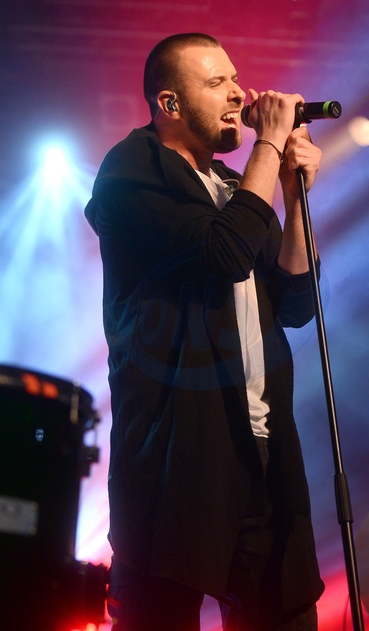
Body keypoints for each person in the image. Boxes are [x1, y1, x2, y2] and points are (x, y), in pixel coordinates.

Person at [85, 32, 325, 631]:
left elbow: (295, 303)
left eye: (236, 79)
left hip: (261, 446)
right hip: (176, 459)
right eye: (217, 82)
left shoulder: (232, 187)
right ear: (169, 104)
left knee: (286, 614)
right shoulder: (132, 171)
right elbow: (223, 254)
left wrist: (293, 199)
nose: (239, 93)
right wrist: (268, 144)